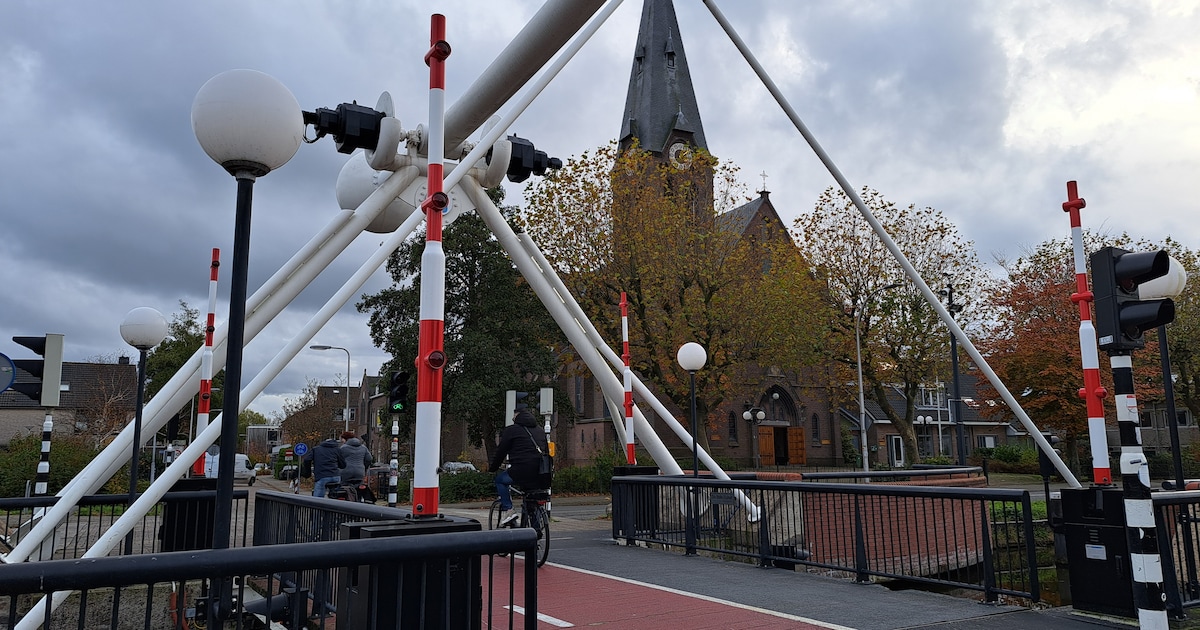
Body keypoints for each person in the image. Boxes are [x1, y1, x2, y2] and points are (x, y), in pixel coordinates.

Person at [489, 409, 549, 526]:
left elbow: (501, 451)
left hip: (521, 470)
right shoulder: (540, 431)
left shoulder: (512, 430)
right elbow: (546, 451)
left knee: (500, 481)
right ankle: (536, 530)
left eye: (514, 416)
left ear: (517, 417)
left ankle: (509, 510)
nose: (512, 419)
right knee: (532, 499)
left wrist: (493, 468)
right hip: (540, 473)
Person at [339, 431, 375, 501]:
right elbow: (369, 459)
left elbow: (338, 459)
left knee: (344, 489)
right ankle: (357, 502)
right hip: (359, 472)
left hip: (346, 473)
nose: (341, 441)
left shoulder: (343, 448)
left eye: (342, 439)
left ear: (346, 439)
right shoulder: (363, 448)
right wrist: (363, 467)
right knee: (359, 489)